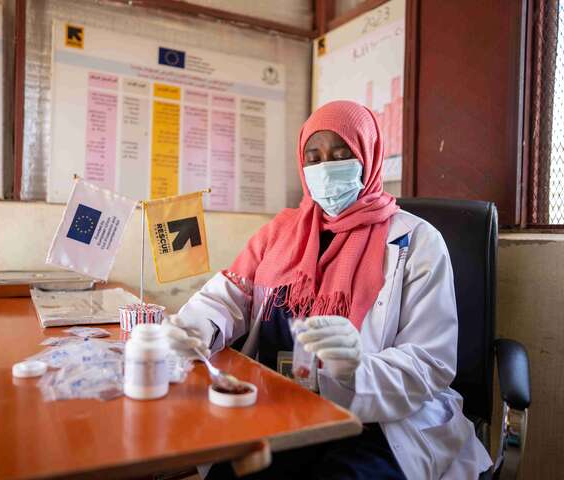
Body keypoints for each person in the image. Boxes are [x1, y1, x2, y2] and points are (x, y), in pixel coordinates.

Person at [164, 101, 493, 479]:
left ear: (368, 156)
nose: (324, 169)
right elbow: (232, 292)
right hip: (279, 410)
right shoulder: (281, 232)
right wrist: (194, 326)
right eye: (313, 157)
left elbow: (430, 362)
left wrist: (357, 370)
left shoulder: (415, 241)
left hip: (371, 425)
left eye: (341, 155)